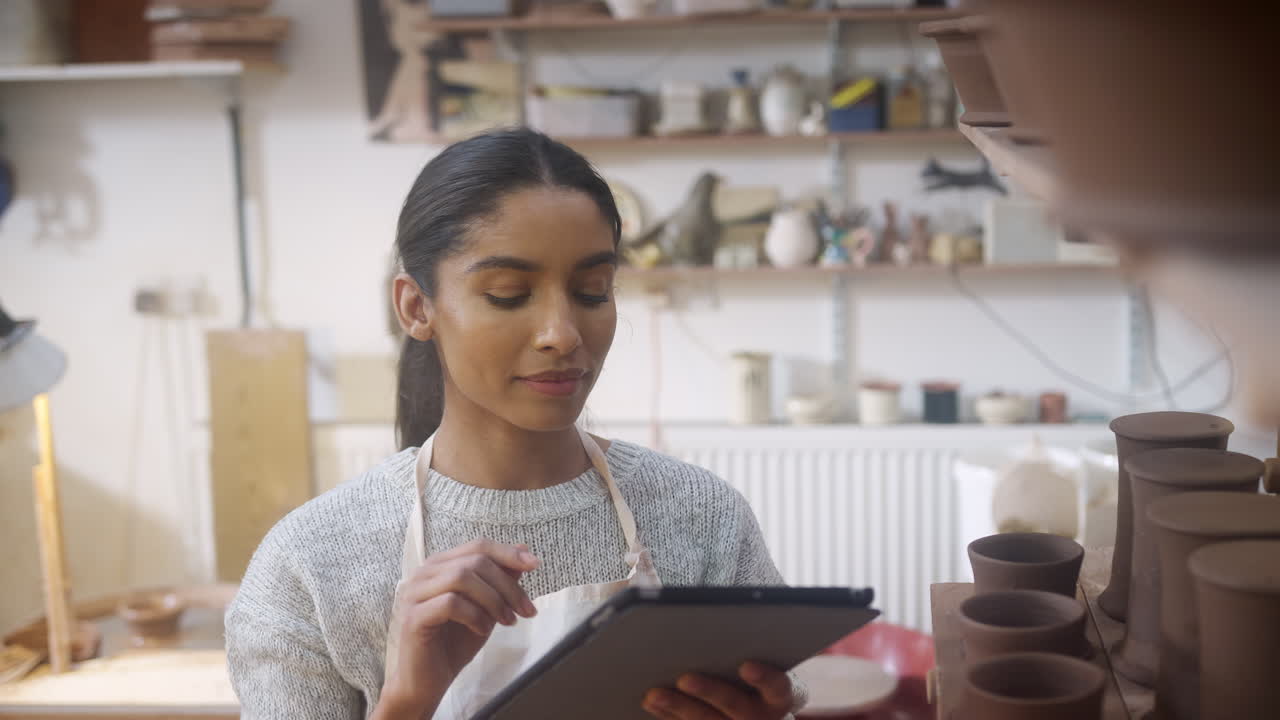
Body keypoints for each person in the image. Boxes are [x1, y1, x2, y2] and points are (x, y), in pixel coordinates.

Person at [226, 128, 803, 720]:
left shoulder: (700, 516)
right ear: (416, 307)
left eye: (591, 290)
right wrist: (405, 701)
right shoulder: (311, 564)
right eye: (508, 293)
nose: (562, 333)